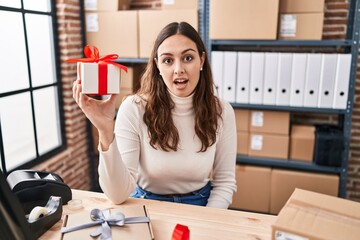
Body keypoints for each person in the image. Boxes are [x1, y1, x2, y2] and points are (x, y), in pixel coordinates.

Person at [73, 22, 237, 209]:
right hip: (146, 203)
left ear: (201, 61)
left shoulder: (222, 111)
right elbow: (118, 196)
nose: (178, 69)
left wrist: (207, 222)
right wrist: (105, 131)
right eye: (168, 60)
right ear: (157, 65)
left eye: (188, 58)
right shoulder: (134, 108)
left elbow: (225, 183)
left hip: (201, 203)